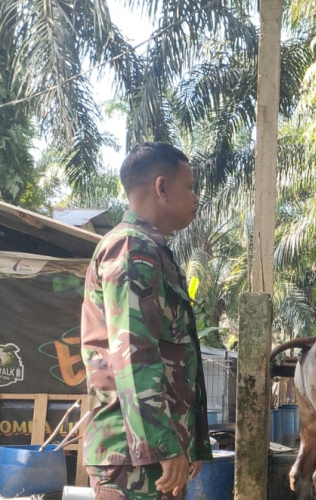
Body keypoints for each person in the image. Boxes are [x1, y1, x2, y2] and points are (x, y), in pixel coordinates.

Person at [81, 142, 212, 499]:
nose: (196, 197)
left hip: (150, 452)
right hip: (133, 457)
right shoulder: (131, 248)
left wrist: (187, 442)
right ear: (162, 187)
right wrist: (164, 445)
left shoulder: (151, 249)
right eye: (190, 187)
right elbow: (133, 354)